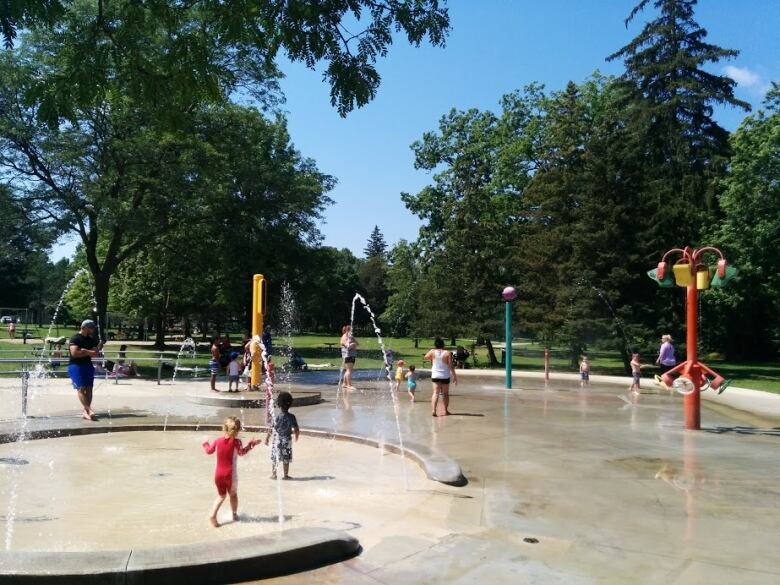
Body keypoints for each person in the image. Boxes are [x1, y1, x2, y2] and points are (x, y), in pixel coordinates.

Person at [202, 417, 260, 527]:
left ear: (224, 428)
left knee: (221, 496)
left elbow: (209, 451)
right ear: (238, 430)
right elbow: (242, 453)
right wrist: (252, 444)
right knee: (233, 495)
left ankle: (213, 515)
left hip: (218, 475)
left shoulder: (218, 441)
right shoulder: (236, 442)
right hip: (231, 475)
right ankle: (234, 514)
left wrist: (205, 443)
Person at [68, 319, 102, 421]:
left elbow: (96, 353)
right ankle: (89, 410)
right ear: (85, 328)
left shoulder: (91, 340)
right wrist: (88, 352)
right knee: (81, 388)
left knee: (89, 388)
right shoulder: (75, 338)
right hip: (76, 365)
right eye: (91, 328)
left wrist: (84, 351)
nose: (93, 330)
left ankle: (86, 412)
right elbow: (74, 353)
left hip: (88, 365)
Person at [265, 391, 300, 480]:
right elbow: (296, 429)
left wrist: (267, 439)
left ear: (279, 404)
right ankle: (285, 475)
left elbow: (271, 429)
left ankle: (274, 474)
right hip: (287, 441)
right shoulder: (292, 417)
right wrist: (296, 436)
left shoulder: (277, 417)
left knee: (275, 458)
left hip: (277, 440)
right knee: (286, 459)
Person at [424, 337, 457, 417]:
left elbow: (426, 357)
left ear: (435, 344)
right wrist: (454, 375)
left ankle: (433, 410)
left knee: (435, 393)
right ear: (443, 344)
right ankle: (446, 410)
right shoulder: (447, 353)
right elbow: (450, 365)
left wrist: (432, 356)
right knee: (445, 394)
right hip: (445, 375)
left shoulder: (432, 351)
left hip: (435, 375)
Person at [340, 325, 358, 390]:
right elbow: (346, 345)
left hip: (349, 355)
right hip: (349, 355)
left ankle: (344, 384)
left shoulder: (349, 337)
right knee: (349, 370)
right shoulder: (345, 337)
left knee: (347, 370)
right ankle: (349, 385)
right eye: (351, 330)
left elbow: (357, 343)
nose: (352, 331)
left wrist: (354, 343)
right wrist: (352, 344)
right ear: (348, 330)